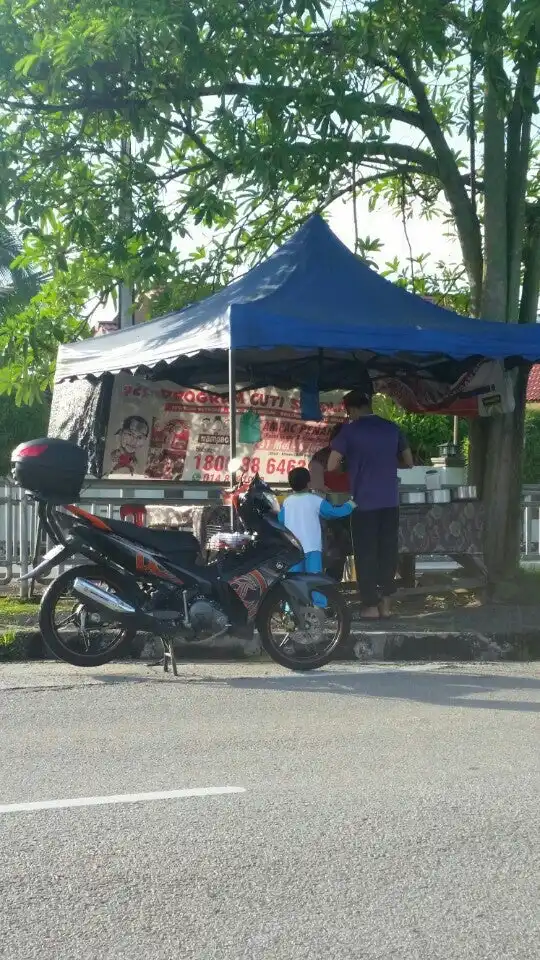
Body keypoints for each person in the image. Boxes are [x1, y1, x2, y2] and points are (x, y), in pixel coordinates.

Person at [327, 387, 413, 619]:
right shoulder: (392, 428)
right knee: (387, 552)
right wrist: (385, 464)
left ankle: (370, 607)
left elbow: (331, 465)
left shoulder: (349, 431)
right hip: (390, 501)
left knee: (366, 554)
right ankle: (386, 604)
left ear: (352, 409)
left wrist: (351, 464)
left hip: (363, 503)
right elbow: (409, 461)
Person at [277, 467, 356, 576]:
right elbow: (334, 513)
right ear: (309, 484)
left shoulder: (287, 502)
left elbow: (280, 520)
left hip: (293, 549)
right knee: (314, 580)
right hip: (312, 548)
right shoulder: (315, 500)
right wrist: (350, 504)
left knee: (294, 580)